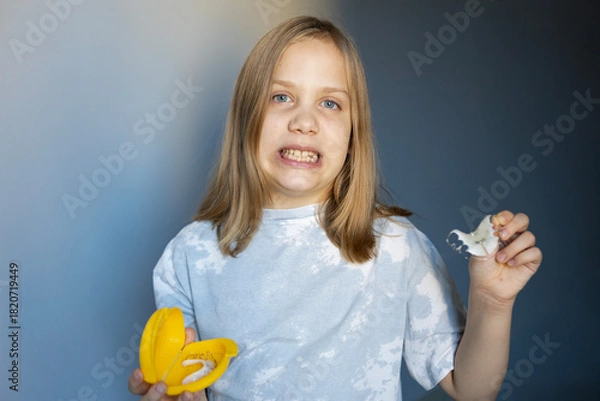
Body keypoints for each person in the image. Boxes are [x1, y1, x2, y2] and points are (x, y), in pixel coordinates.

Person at [128, 16, 542, 401]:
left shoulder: (395, 246)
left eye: (330, 104)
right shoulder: (190, 256)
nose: (304, 121)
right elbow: (189, 386)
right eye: (281, 96)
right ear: (245, 119)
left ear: (353, 136)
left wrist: (491, 302)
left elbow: (471, 388)